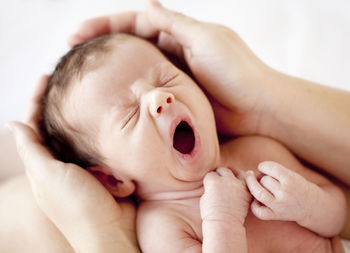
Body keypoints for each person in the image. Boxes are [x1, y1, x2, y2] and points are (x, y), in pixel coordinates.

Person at [4, 0, 350, 252]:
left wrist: (308, 203)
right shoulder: (161, 225)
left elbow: (338, 213)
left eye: (167, 78)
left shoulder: (259, 151)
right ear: (113, 179)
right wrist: (221, 220)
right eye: (129, 115)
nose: (159, 98)